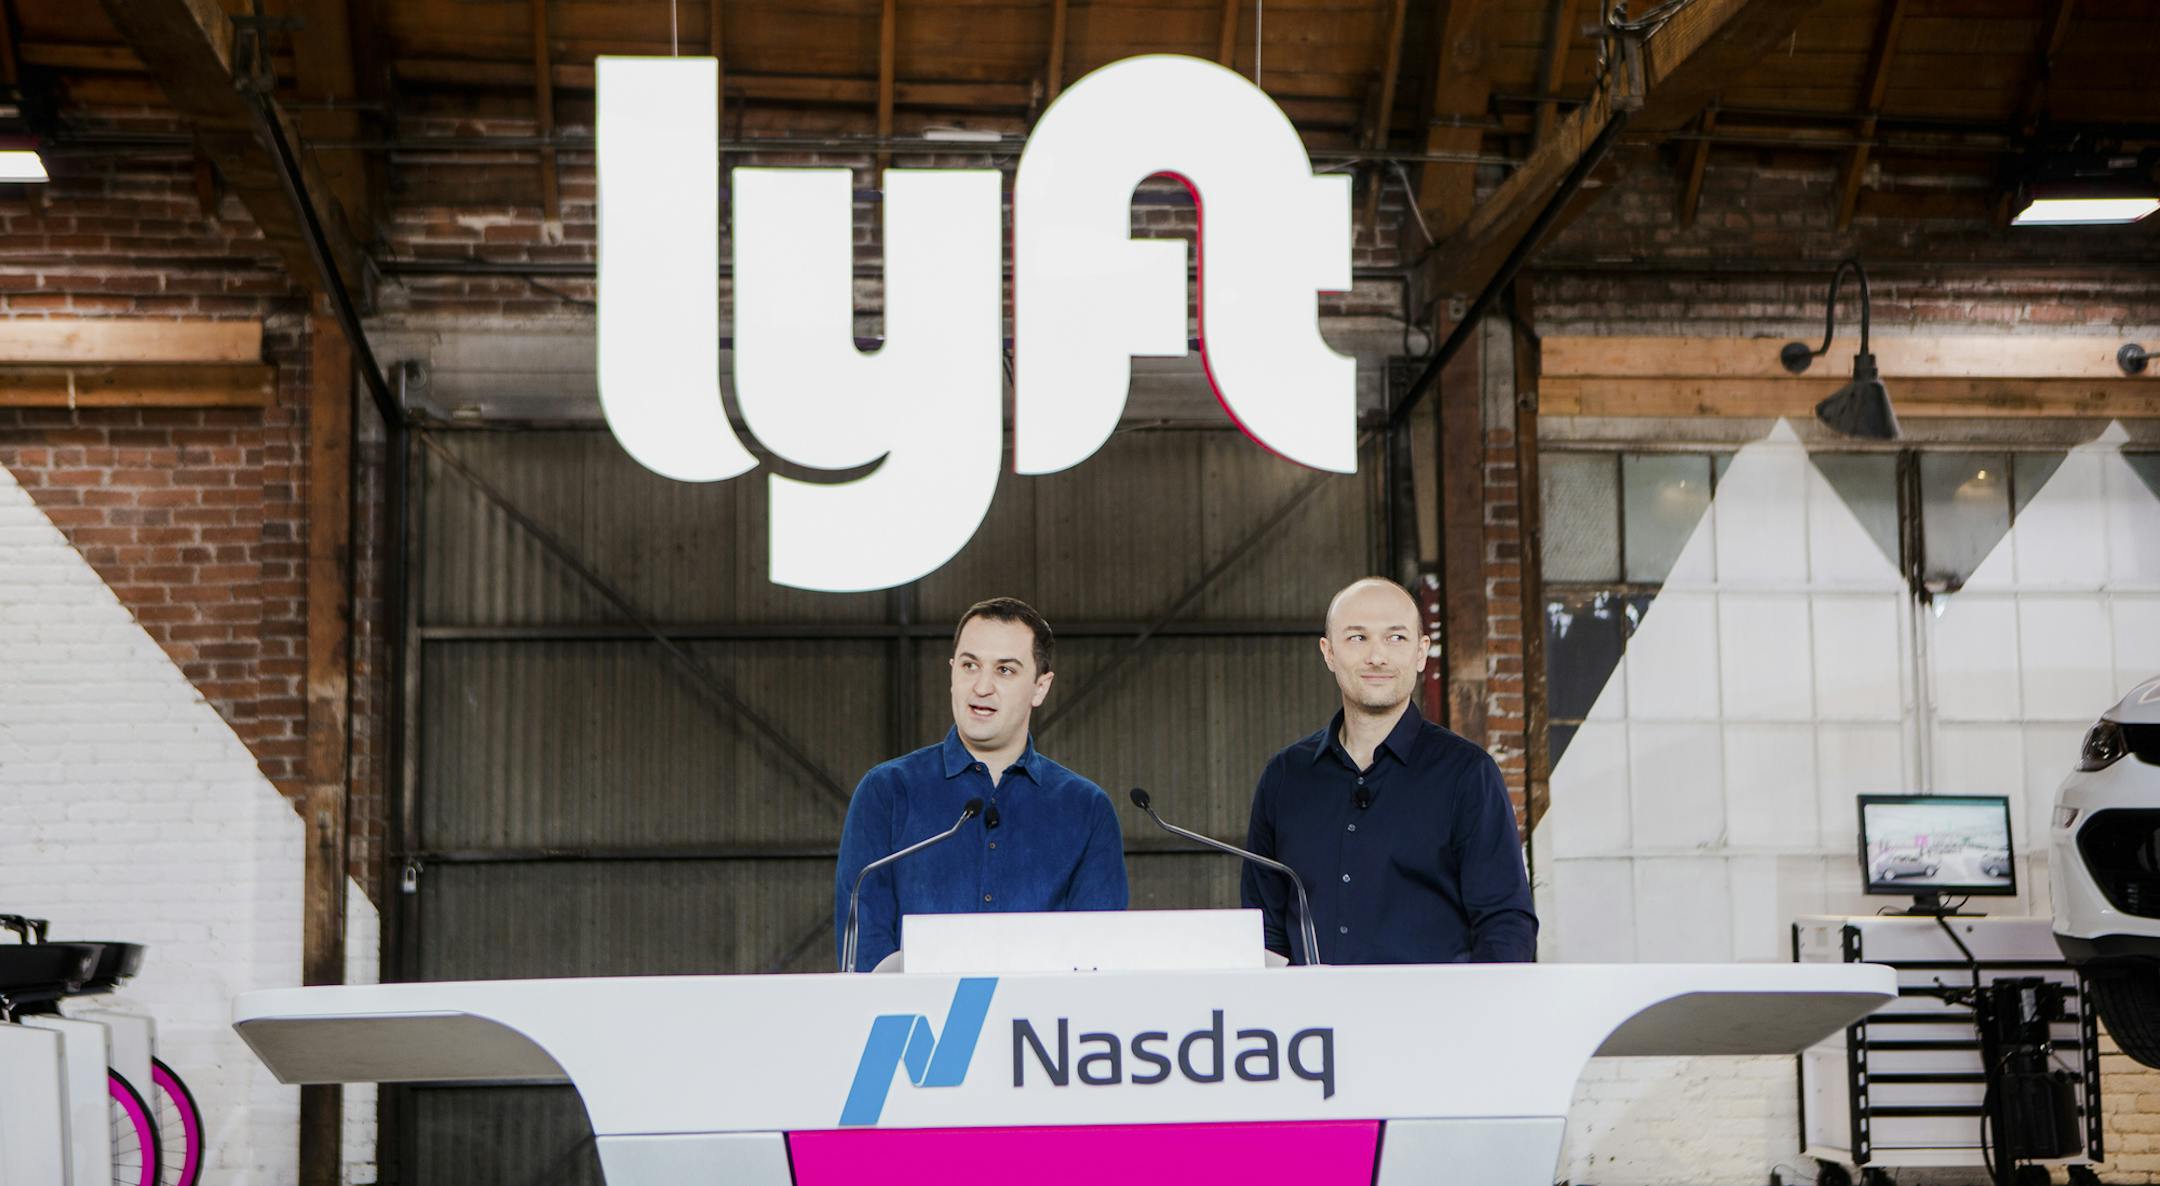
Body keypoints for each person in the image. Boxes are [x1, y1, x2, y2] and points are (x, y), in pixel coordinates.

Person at [1241, 577, 1536, 964]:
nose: (1377, 656)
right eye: (1357, 638)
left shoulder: (1467, 774)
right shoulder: (1285, 777)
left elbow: (1504, 923)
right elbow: (1265, 930)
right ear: (1328, 653)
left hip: (1431, 1019)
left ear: (1421, 652)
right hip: (1314, 1022)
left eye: (1396, 638)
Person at [834, 597, 1128, 970]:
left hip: (1038, 1026)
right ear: (952, 673)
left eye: (1005, 670)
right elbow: (864, 951)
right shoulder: (886, 792)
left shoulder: (1086, 809)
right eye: (970, 666)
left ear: (1040, 687)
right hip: (919, 1023)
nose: (982, 687)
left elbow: (1098, 959)